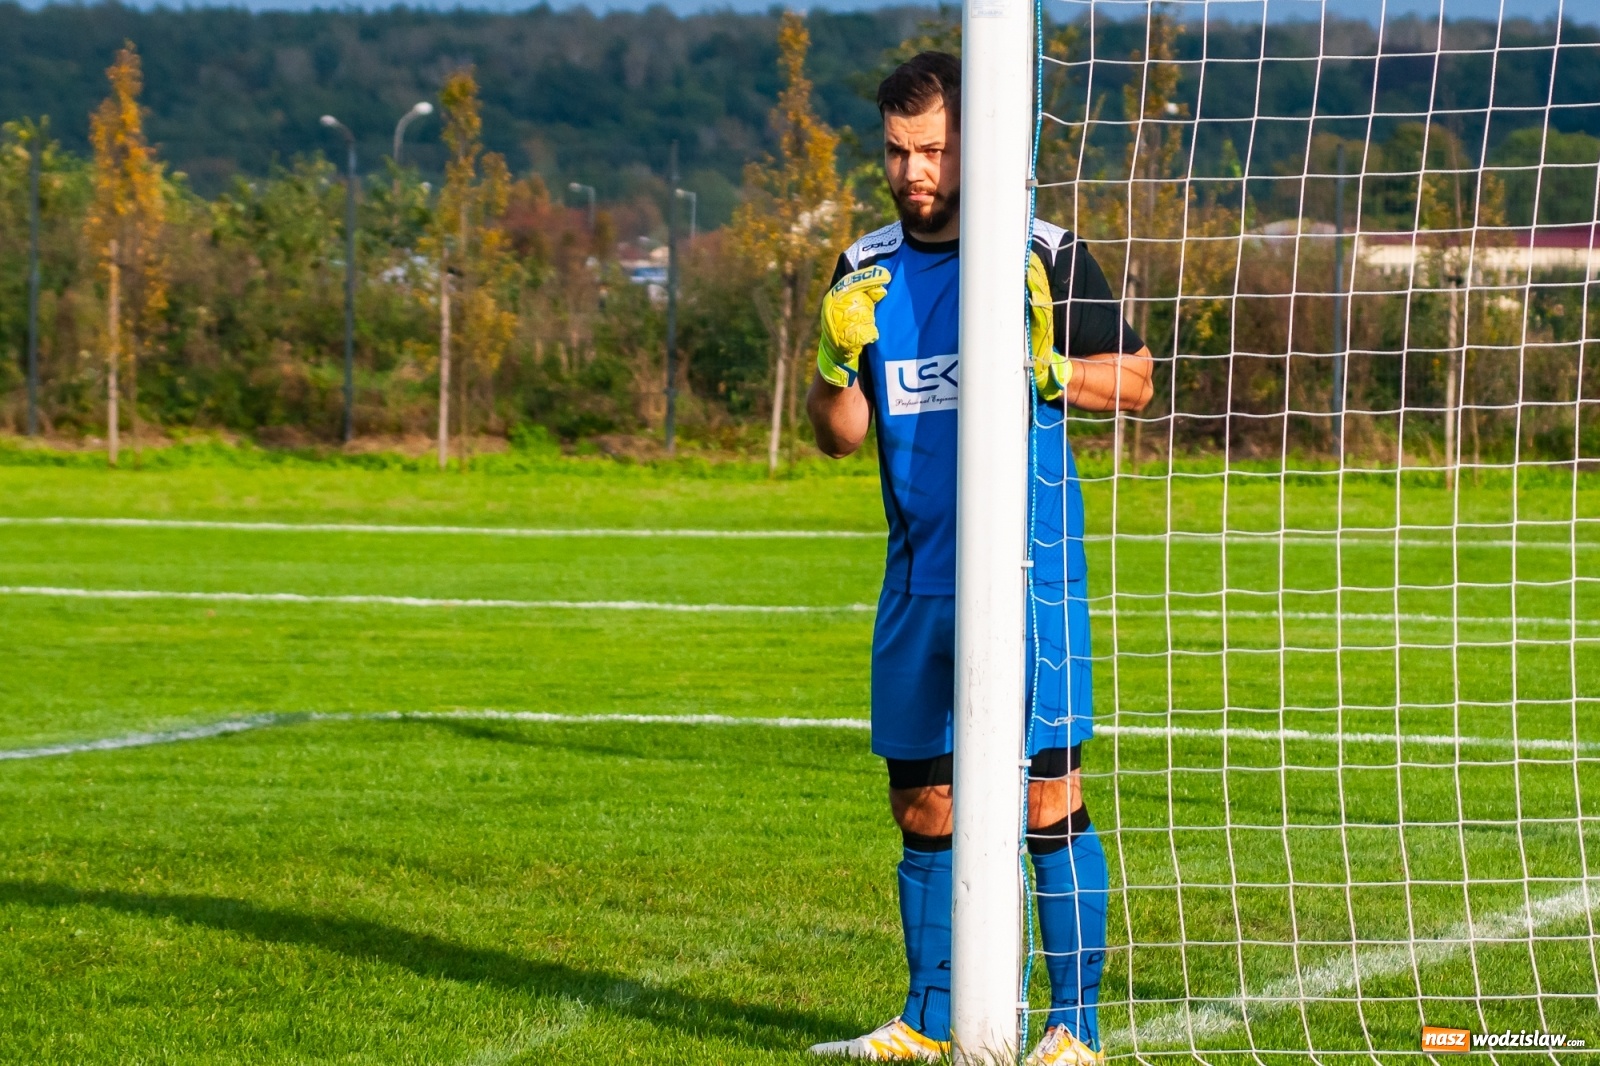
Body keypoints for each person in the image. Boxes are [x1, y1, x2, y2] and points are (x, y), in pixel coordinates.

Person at [803, 51, 1153, 1065]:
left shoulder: (1041, 254)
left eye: (936, 150)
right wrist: (831, 364)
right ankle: (927, 1019)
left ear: (977, 147)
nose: (914, 172)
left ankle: (1072, 1031)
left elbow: (1133, 382)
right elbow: (837, 433)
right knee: (921, 798)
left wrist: (1050, 368)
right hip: (915, 579)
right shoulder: (861, 267)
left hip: (1027, 577)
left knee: (1047, 792)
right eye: (898, 152)